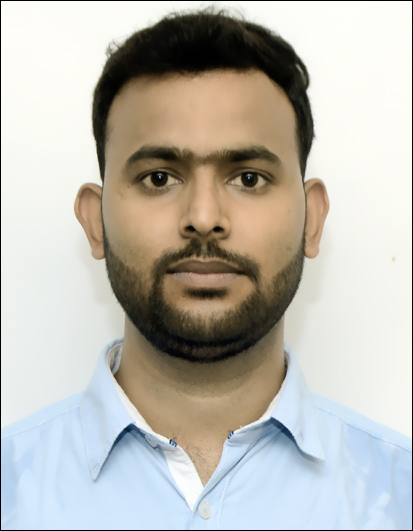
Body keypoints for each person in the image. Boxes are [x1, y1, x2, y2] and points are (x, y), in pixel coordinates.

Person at [1, 6, 411, 530]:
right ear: (95, 222)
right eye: (158, 178)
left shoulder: (399, 499)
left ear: (312, 220)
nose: (203, 217)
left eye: (248, 178)